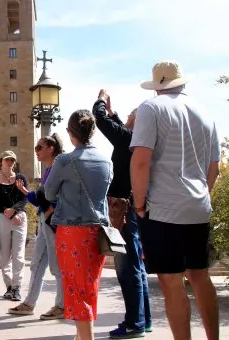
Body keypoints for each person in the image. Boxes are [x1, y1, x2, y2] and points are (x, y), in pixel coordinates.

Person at [130, 60, 220, 340]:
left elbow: (141, 161)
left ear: (158, 86)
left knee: (171, 281)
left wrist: (140, 204)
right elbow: (214, 166)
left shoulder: (151, 108)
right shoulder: (205, 112)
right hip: (198, 206)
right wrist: (201, 196)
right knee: (199, 275)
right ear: (182, 82)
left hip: (163, 208)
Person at [45, 109, 113, 340]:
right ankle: (81, 336)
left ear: (70, 132)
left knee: (76, 288)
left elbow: (49, 192)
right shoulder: (106, 161)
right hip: (99, 233)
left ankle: (86, 337)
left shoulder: (65, 160)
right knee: (90, 286)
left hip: (72, 232)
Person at [94, 90, 152, 338]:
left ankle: (134, 324)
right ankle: (143, 320)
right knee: (137, 266)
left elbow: (102, 122)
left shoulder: (129, 139)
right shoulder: (137, 141)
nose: (126, 117)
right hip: (135, 210)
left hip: (123, 212)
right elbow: (118, 128)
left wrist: (99, 102)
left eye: (130, 115)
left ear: (138, 122)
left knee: (127, 268)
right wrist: (114, 112)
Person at [8, 134, 65, 320]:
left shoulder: (58, 166)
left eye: (39, 147)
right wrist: (26, 193)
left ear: (51, 148)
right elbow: (41, 199)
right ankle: (29, 303)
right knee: (36, 264)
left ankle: (62, 306)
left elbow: (62, 194)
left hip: (53, 223)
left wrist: (49, 212)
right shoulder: (49, 168)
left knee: (56, 266)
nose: (36, 151)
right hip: (45, 222)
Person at [0, 150, 28, 301]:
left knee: (18, 255)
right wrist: (7, 212)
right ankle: (9, 287)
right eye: (7, 159)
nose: (10, 162)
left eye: (12, 160)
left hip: (19, 218)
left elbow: (25, 197)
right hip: (3, 218)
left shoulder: (21, 178)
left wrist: (15, 211)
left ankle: (17, 287)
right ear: (1, 161)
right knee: (4, 254)